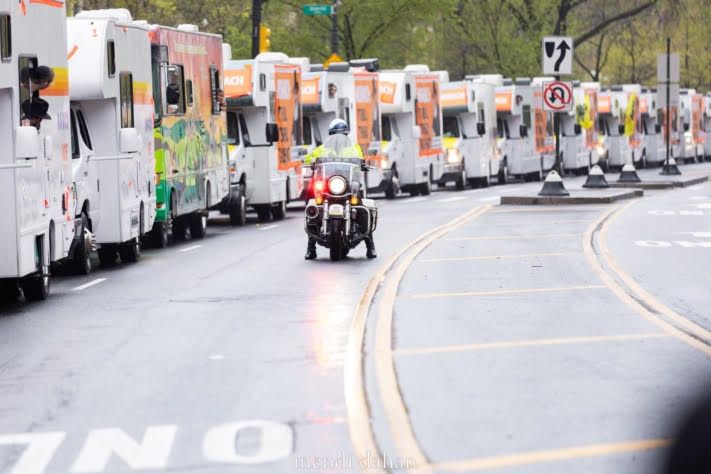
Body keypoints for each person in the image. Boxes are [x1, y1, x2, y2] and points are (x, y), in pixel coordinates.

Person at [304, 119, 377, 260]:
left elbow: (360, 161)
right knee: (313, 209)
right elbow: (311, 158)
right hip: (328, 185)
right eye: (336, 134)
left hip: (348, 185)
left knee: (362, 208)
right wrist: (307, 159)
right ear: (330, 135)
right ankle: (311, 248)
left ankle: (370, 245)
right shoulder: (322, 149)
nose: (339, 137)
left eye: (342, 134)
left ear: (346, 135)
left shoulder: (354, 148)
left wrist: (364, 163)